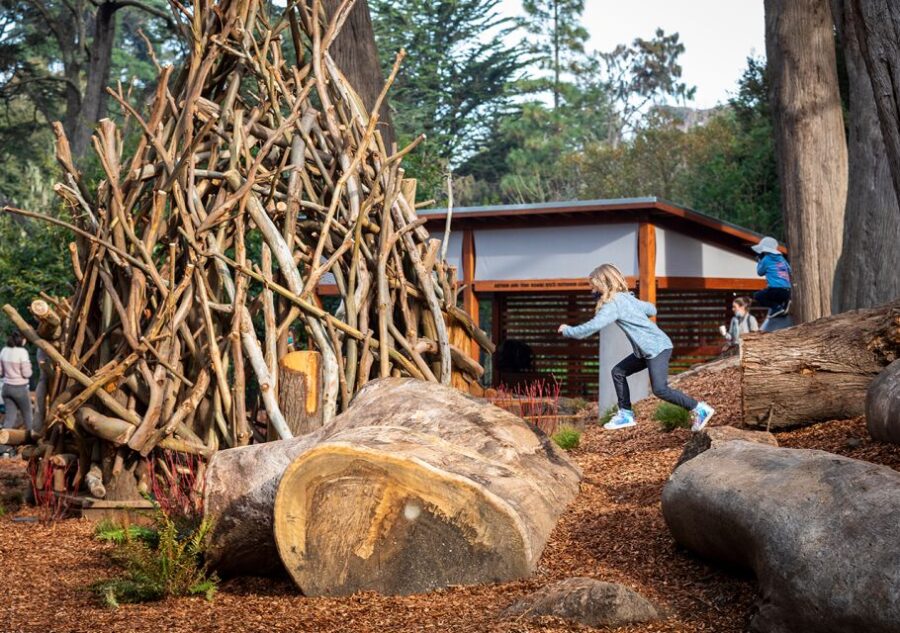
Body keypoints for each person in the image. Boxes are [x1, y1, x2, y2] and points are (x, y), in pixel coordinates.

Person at [557, 264, 715, 432]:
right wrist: (637, 314)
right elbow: (651, 309)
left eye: (594, 287)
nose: (592, 291)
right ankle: (625, 413)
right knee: (618, 372)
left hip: (656, 348)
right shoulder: (627, 298)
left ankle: (700, 409)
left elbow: (591, 327)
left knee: (660, 389)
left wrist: (567, 330)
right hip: (646, 350)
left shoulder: (614, 304)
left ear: (603, 284)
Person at [0, 331, 32, 456]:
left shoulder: (4, 351)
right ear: (21, 340)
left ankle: (4, 450)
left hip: (6, 388)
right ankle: (31, 445)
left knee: (9, 419)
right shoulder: (22, 352)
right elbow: (27, 373)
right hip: (20, 388)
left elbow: (1, 372)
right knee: (29, 417)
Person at [752, 236, 792, 317]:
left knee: (758, 295)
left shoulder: (766, 259)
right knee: (771, 293)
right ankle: (783, 305)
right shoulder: (781, 258)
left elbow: (760, 272)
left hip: (776, 290)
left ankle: (776, 308)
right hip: (787, 290)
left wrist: (759, 261)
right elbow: (790, 270)